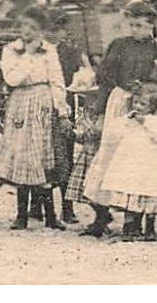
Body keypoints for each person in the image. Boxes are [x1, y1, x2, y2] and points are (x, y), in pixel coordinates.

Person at [0, 8, 68, 229]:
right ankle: (21, 215)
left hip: (43, 103)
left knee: (43, 153)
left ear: (41, 31)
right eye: (24, 26)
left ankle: (50, 216)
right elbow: (12, 78)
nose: (28, 31)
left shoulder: (49, 51)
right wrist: (28, 54)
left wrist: (62, 110)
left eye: (33, 28)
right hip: (21, 102)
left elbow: (56, 80)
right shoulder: (11, 51)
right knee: (23, 154)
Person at [88, 79, 157, 241]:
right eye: (135, 103)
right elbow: (114, 133)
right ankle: (131, 227)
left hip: (148, 166)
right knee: (131, 195)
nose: (137, 107)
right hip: (131, 166)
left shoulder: (155, 122)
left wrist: (145, 121)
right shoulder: (128, 120)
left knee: (148, 194)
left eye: (142, 104)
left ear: (151, 108)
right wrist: (126, 121)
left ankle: (150, 229)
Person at [64, 67, 104, 230]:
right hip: (86, 155)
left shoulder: (102, 114)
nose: (89, 101)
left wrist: (87, 132)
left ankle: (101, 218)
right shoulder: (85, 113)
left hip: (97, 155)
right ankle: (100, 217)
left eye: (92, 97)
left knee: (96, 188)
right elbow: (82, 136)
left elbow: (98, 133)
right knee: (85, 190)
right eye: (85, 97)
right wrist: (74, 134)